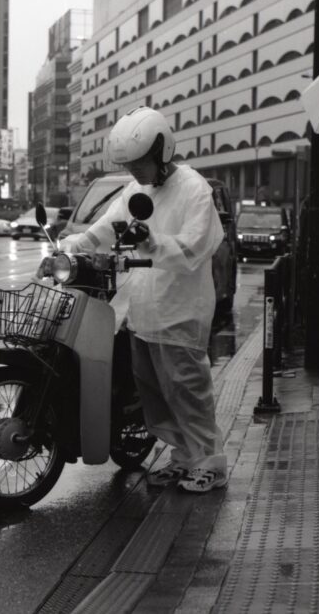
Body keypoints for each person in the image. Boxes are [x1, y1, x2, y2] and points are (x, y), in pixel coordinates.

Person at [59, 106, 228, 493]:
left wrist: (154, 243)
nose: (134, 171)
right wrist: (76, 244)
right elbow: (108, 225)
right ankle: (183, 458)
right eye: (129, 165)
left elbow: (195, 248)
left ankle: (210, 464)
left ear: (161, 151)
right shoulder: (137, 189)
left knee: (187, 390)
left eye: (139, 163)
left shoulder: (193, 188)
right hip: (142, 310)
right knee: (153, 392)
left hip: (180, 309)